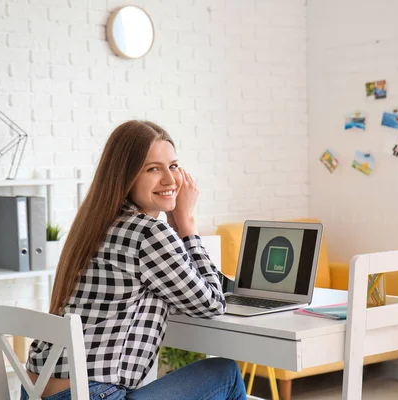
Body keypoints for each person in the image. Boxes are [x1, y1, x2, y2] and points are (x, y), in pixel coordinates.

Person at [23, 120, 247, 400]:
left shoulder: (97, 223)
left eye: (174, 166)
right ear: (126, 176)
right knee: (224, 374)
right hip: (94, 393)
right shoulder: (148, 232)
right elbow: (212, 303)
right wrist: (187, 225)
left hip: (36, 390)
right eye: (153, 169)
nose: (170, 180)